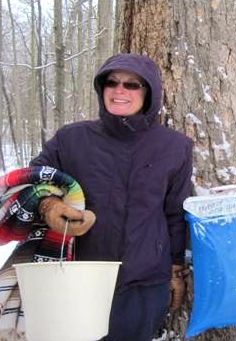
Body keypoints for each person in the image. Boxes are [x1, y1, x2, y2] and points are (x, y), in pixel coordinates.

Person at [30, 53, 193, 340]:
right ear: (101, 88)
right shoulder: (72, 139)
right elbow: (32, 178)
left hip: (143, 285)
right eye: (112, 82)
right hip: (79, 278)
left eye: (132, 85)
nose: (120, 90)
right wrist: (49, 204)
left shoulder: (174, 147)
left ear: (149, 93)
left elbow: (175, 214)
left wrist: (175, 271)